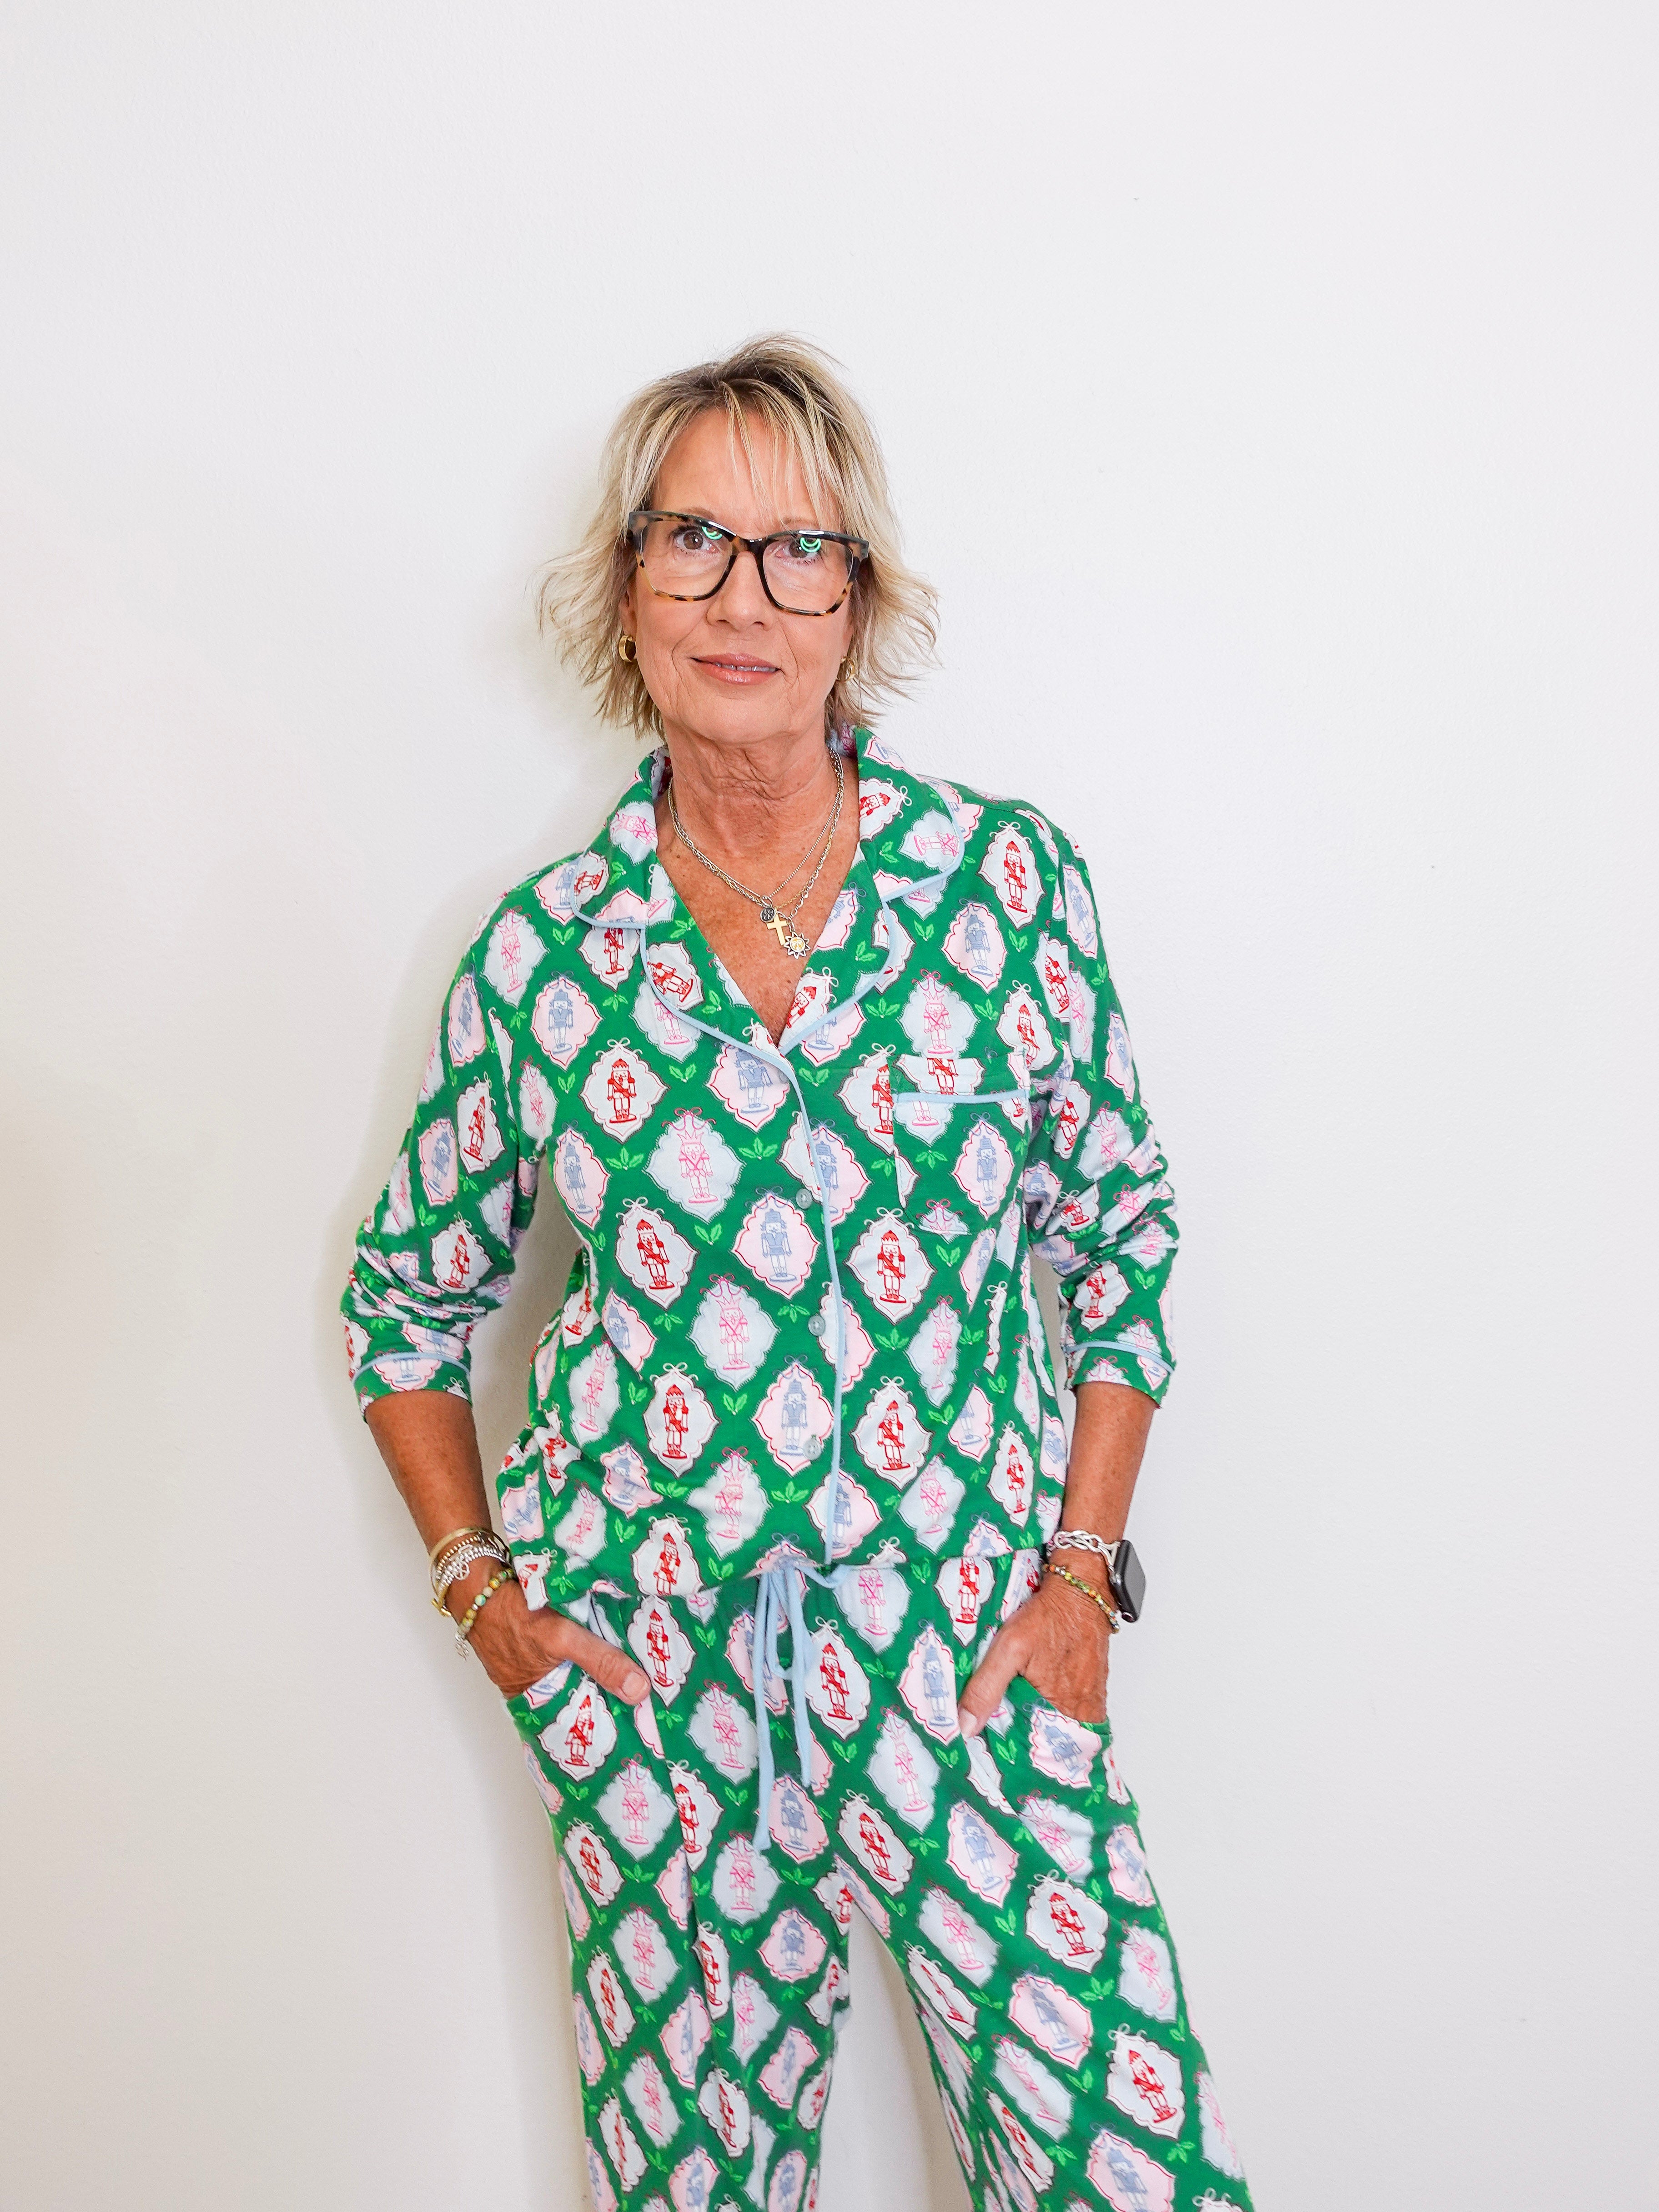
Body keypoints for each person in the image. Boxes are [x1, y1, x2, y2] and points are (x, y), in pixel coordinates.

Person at [342, 336, 1252, 2211]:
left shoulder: (1000, 888)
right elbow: (405, 1306)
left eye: (796, 548)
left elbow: (1125, 1236)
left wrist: (1079, 1577)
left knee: (1125, 2166)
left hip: (982, 1661)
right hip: (657, 1682)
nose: (741, 596)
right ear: (625, 589)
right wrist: (492, 1605)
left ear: (861, 595)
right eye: (691, 540)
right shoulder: (543, 958)